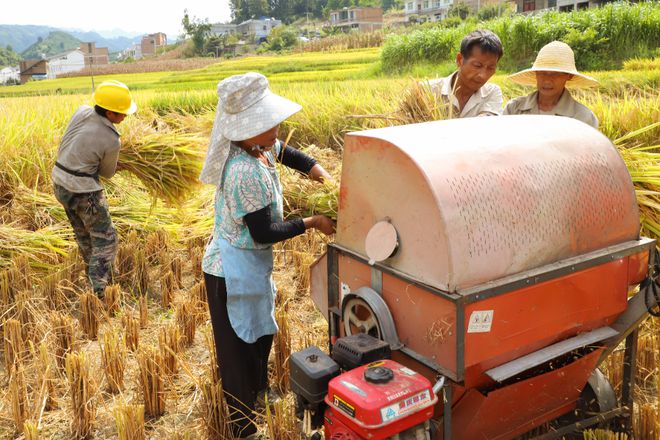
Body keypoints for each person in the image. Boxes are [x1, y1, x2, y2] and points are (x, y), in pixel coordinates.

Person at [199, 72, 335, 439]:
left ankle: (255, 397)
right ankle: (242, 426)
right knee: (238, 349)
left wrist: (316, 170)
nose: (276, 127)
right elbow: (264, 232)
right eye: (266, 122)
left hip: (249, 262)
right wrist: (314, 221)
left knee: (259, 334)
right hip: (229, 269)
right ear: (244, 128)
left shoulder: (258, 148)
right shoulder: (243, 170)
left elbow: (286, 152)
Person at [52, 80, 137, 298]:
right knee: (106, 239)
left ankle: (94, 278)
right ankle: (99, 291)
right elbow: (107, 173)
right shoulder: (111, 139)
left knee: (83, 233)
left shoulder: (82, 112)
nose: (125, 116)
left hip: (60, 182)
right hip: (84, 192)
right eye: (122, 113)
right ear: (110, 113)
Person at [503, 41, 599, 128]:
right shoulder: (514, 109)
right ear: (536, 74)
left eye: (556, 74)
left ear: (569, 76)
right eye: (542, 72)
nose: (547, 80)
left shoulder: (583, 117)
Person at [426, 29, 504, 118]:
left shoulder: (492, 93)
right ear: (460, 60)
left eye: (491, 68)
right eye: (477, 66)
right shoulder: (428, 92)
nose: (483, 75)